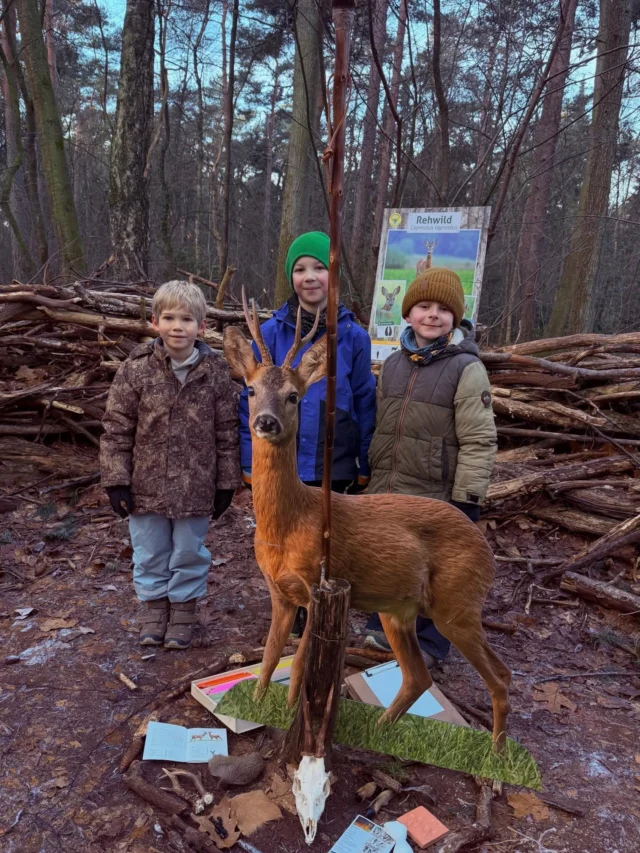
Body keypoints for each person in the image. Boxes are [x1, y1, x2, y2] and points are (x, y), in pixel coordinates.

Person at [239, 231, 376, 635]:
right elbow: (249, 403)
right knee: (285, 543)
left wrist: (364, 460)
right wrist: (251, 464)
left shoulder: (352, 336)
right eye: (300, 269)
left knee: (326, 549)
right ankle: (294, 617)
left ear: (333, 276)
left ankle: (325, 622)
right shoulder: (267, 333)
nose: (310, 277)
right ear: (291, 277)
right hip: (284, 465)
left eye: (320, 268)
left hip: (333, 462)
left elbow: (365, 397)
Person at [364, 267, 497, 666]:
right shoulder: (392, 365)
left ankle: (431, 646)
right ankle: (382, 632)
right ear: (407, 314)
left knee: (434, 573)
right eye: (423, 306)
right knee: (386, 561)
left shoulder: (466, 369)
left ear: (456, 318)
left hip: (435, 492)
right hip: (389, 486)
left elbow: (478, 438)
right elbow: (381, 423)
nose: (432, 315)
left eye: (443, 309)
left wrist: (468, 498)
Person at [101, 281, 241, 650]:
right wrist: (117, 480)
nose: (178, 326)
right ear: (154, 322)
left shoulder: (215, 374)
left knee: (188, 552)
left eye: (187, 319)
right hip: (145, 487)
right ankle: (153, 611)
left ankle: (183, 612)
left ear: (203, 326)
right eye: (169, 318)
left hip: (197, 486)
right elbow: (117, 428)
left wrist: (226, 483)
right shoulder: (136, 370)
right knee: (149, 552)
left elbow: (227, 431)